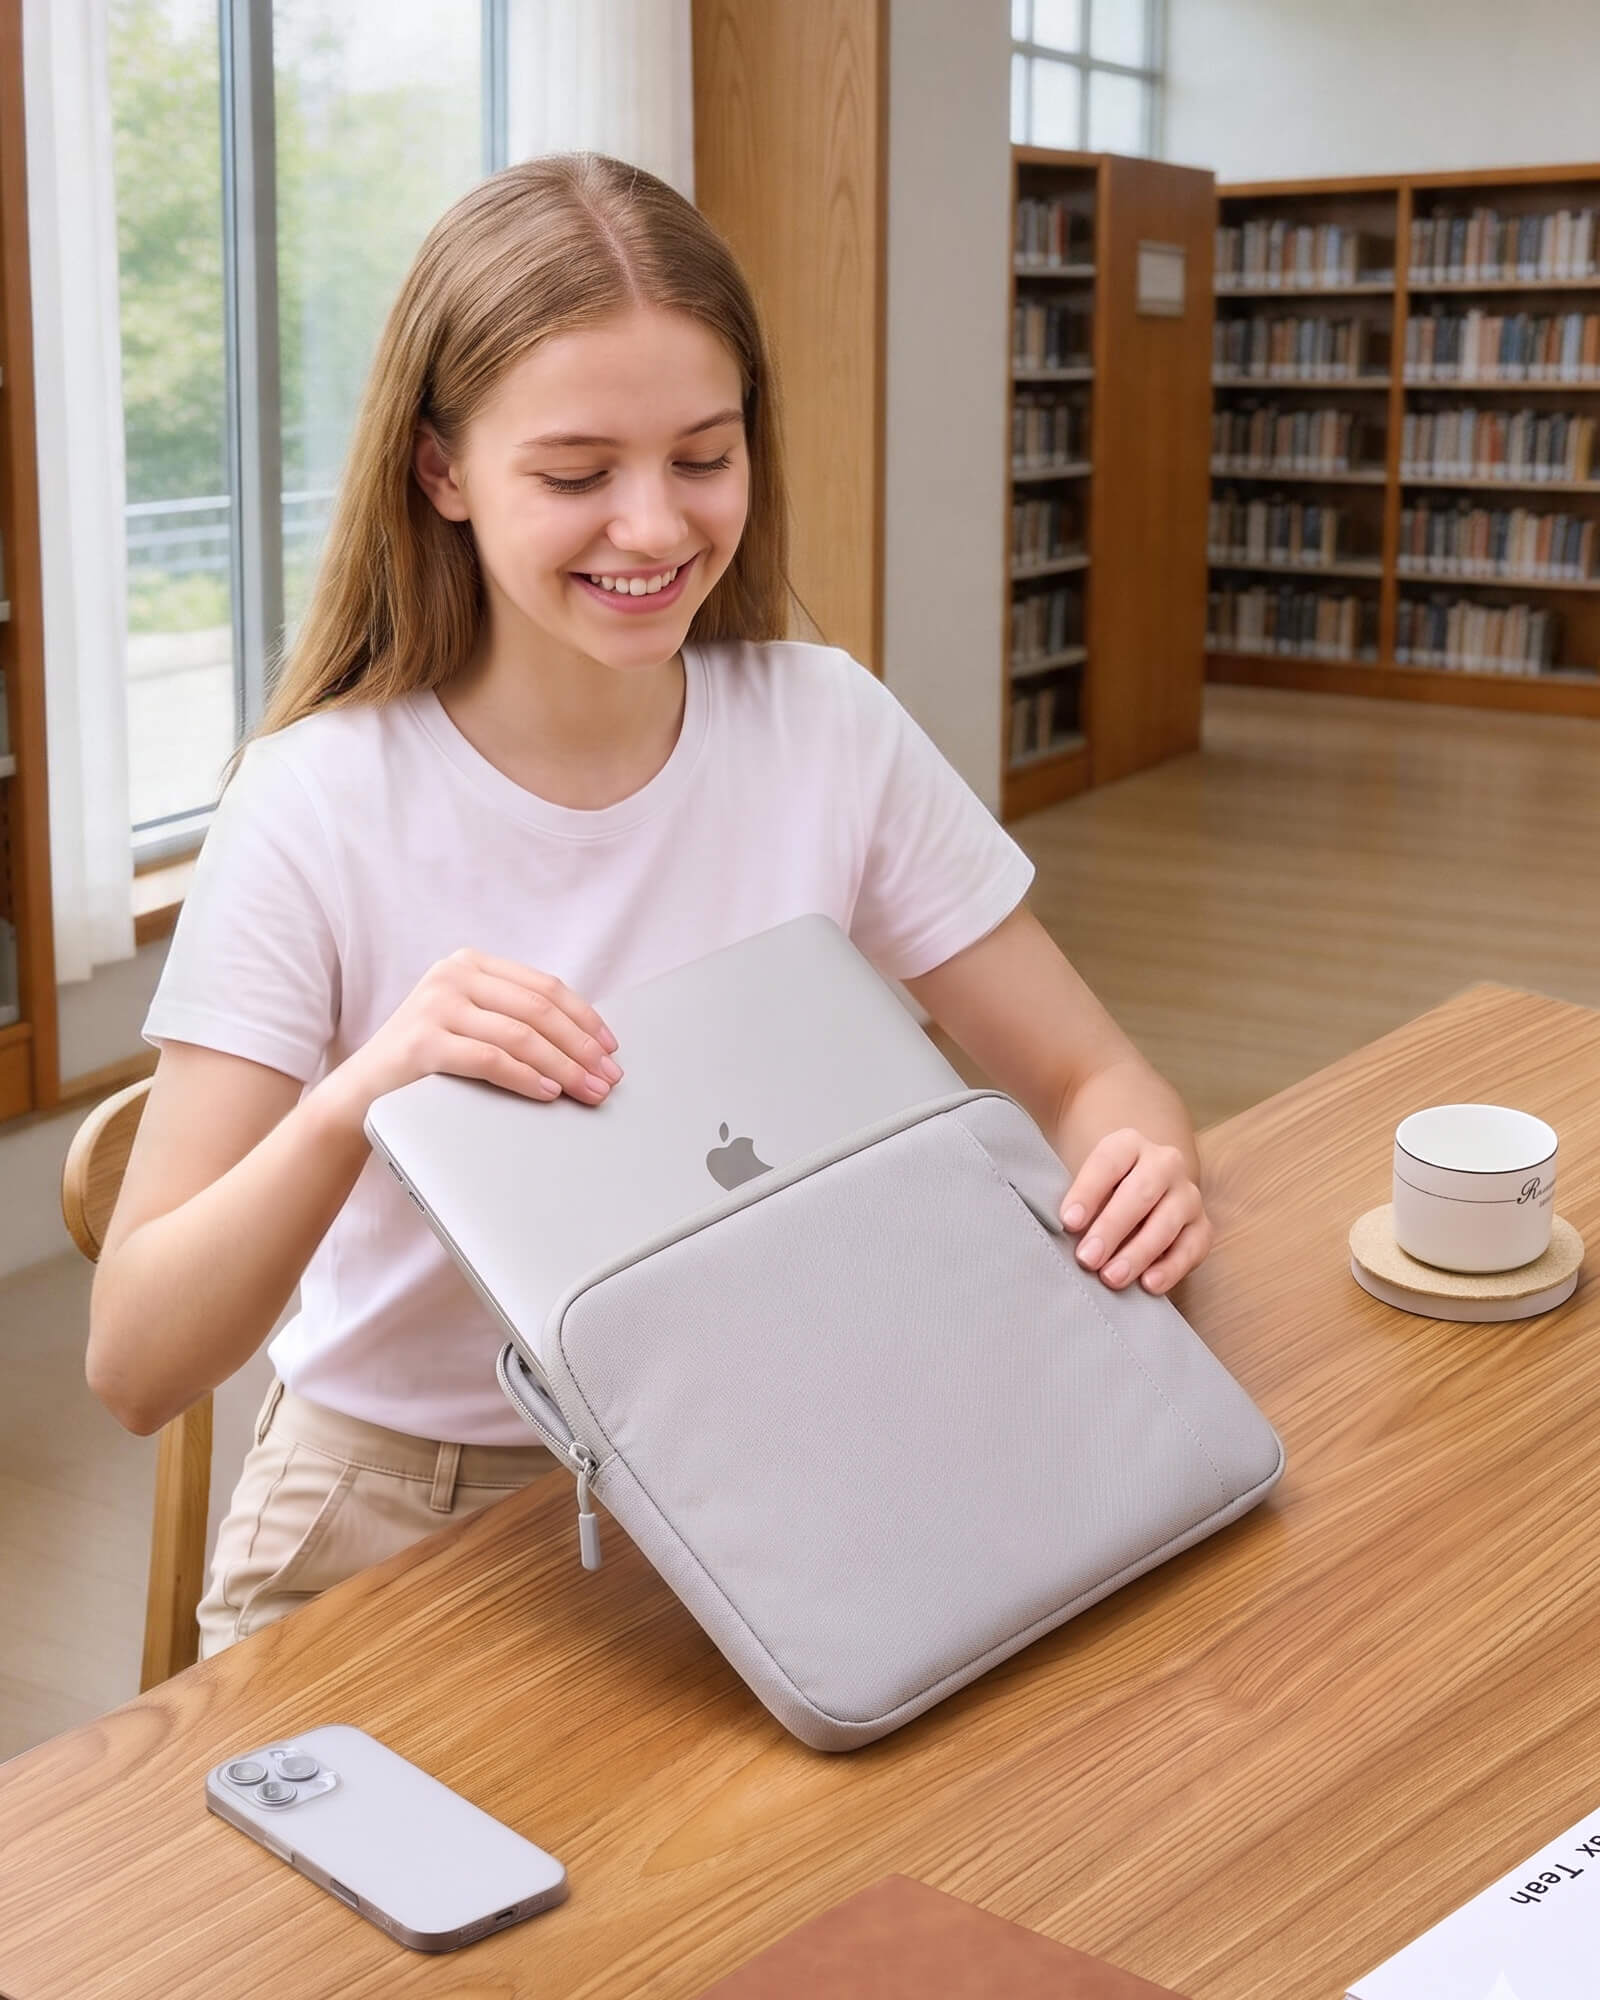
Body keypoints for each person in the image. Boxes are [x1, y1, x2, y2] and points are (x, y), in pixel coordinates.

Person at [86, 154, 1213, 1658]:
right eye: (573, 475)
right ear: (443, 475)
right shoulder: (315, 806)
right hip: (409, 1513)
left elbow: (1092, 1078)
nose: (654, 526)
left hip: (787, 1457)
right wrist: (362, 1099)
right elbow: (136, 1362)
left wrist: (1140, 1167)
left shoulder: (825, 727)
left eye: (703, 456)